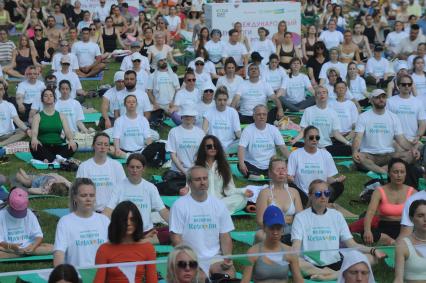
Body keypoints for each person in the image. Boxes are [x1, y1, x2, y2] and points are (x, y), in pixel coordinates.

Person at [291, 179, 386, 281]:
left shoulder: (337, 215)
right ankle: (335, 273)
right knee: (295, 261)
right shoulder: (301, 217)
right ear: (310, 195)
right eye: (318, 194)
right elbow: (296, 248)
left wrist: (373, 250)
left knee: (371, 258)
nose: (323, 197)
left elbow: (352, 245)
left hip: (336, 262)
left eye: (327, 193)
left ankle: (334, 274)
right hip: (311, 263)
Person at [170, 166, 235, 277]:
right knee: (200, 278)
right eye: (198, 179)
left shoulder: (219, 204)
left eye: (205, 178)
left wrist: (227, 258)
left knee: (229, 274)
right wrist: (188, 260)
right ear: (189, 183)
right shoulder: (179, 205)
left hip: (215, 257)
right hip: (189, 257)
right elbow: (176, 238)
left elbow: (225, 235)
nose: (202, 182)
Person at [105, 153, 169, 243]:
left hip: (146, 231)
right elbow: (109, 209)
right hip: (126, 231)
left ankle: (137, 241)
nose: (135, 170)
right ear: (127, 167)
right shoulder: (119, 186)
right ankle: (143, 241)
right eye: (132, 167)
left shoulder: (150, 187)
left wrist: (176, 225)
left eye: (138, 167)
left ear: (143, 168)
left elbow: (162, 210)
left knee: (170, 231)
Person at [352, 89, 420, 174]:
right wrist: (355, 151)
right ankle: (385, 171)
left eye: (383, 97)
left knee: (411, 154)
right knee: (360, 157)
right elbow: (358, 138)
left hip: (389, 155)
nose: (381, 99)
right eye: (377, 97)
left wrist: (412, 149)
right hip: (370, 155)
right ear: (371, 100)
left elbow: (401, 140)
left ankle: (383, 169)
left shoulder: (393, 117)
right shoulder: (363, 116)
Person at [95, 201, 157, 283]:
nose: (128, 223)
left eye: (132, 219)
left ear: (137, 221)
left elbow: (152, 280)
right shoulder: (104, 249)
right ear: (116, 222)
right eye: (124, 220)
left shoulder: (147, 248)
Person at [54, 178, 109, 267]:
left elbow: (114, 251)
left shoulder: (104, 221)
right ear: (75, 197)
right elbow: (59, 253)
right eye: (83, 195)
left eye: (91, 195)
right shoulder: (65, 222)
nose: (88, 199)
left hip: (101, 276)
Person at [242, 205, 304, 283]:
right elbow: (245, 281)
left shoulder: (289, 252)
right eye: (271, 228)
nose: (275, 232)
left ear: (283, 228)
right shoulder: (253, 253)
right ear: (264, 227)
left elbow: (299, 279)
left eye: (278, 228)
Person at [363, 158, 416, 245]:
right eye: (395, 172)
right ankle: (391, 241)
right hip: (384, 227)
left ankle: (398, 241)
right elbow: (370, 212)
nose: (399, 175)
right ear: (389, 173)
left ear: (406, 174)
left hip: (405, 228)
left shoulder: (412, 192)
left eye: (402, 172)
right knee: (368, 234)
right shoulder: (379, 191)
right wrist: (367, 230)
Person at [288, 126, 346, 206]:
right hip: (303, 194)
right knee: (289, 185)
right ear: (304, 138)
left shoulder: (326, 154)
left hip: (321, 194)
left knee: (339, 186)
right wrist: (289, 178)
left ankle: (322, 202)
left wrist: (336, 180)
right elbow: (290, 177)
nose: (314, 140)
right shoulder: (295, 154)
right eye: (311, 137)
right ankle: (314, 204)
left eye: (317, 137)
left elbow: (328, 178)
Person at [194, 135, 250, 213]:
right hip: (201, 201)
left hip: (220, 201)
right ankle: (215, 210)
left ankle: (211, 210)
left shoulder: (224, 166)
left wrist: (243, 191)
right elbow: (190, 188)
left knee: (242, 198)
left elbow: (230, 189)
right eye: (209, 146)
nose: (213, 148)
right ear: (204, 148)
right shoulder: (196, 167)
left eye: (215, 146)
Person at [291, 86, 352, 156]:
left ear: (327, 95)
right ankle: (319, 151)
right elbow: (303, 131)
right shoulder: (308, 111)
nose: (322, 95)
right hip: (311, 143)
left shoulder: (333, 113)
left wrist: (348, 143)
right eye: (319, 93)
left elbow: (336, 134)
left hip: (327, 146)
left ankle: (320, 151)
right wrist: (295, 140)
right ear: (315, 96)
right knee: (296, 143)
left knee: (349, 148)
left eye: (324, 92)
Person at [255, 157, 303, 244]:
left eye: (283, 169)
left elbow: (300, 218)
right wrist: (283, 222)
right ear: (270, 173)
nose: (281, 172)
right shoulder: (265, 193)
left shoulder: (294, 192)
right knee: (260, 235)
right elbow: (260, 221)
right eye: (277, 170)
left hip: (290, 229)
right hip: (270, 230)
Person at [76, 132, 126, 212]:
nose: (103, 147)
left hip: (112, 211)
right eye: (99, 144)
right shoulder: (84, 166)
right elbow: (79, 191)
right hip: (91, 212)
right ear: (93, 146)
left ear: (109, 147)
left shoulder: (116, 165)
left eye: (106, 144)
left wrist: (110, 209)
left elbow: (122, 190)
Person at [238, 105, 289, 178]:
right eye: (259, 114)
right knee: (240, 164)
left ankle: (258, 176)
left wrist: (292, 161)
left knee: (284, 163)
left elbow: (283, 147)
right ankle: (271, 175)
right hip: (253, 164)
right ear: (254, 116)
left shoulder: (273, 129)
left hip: (271, 165)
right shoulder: (248, 130)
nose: (261, 116)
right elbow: (241, 148)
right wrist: (241, 164)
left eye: (264, 114)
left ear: (267, 116)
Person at [0, 187, 53, 258]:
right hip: (8, 248)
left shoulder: (29, 213)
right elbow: (1, 241)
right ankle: (22, 253)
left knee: (53, 247)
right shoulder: (1, 215)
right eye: (16, 211)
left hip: (29, 246)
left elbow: (38, 235)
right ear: (9, 203)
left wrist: (33, 247)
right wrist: (11, 246)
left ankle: (19, 254)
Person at [30, 89, 77, 163]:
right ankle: (57, 159)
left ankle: (50, 159)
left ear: (54, 99)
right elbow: (34, 131)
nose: (48, 97)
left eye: (51, 95)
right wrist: (34, 138)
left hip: (58, 146)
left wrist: (71, 140)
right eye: (46, 96)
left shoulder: (61, 116)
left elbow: (67, 131)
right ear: (42, 100)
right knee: (33, 144)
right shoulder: (37, 116)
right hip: (43, 147)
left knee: (75, 145)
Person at [387, 74, 426, 143]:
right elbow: (386, 122)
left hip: (413, 139)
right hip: (394, 140)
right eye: (404, 84)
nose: (407, 86)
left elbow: (422, 123)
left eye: (409, 84)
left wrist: (418, 136)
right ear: (398, 86)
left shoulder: (418, 102)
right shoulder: (390, 101)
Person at [166, 106, 205, 176]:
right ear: (181, 116)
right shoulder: (174, 131)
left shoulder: (201, 133)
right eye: (186, 115)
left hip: (196, 169)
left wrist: (192, 169)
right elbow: (173, 154)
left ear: (194, 117)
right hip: (177, 170)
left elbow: (201, 154)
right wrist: (184, 172)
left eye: (191, 116)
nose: (188, 117)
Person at [394, 199, 426, 283]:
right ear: (412, 219)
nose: (425, 219)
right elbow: (398, 279)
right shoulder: (403, 244)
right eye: (420, 215)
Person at [112, 95, 152, 159]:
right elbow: (116, 138)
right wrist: (117, 149)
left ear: (137, 104)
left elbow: (148, 138)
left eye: (134, 102)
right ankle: (131, 156)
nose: (131, 103)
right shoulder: (119, 120)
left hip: (140, 150)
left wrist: (150, 149)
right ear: (125, 105)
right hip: (123, 151)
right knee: (110, 149)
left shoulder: (143, 120)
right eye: (129, 102)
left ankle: (132, 157)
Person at [203, 86, 241, 151]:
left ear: (227, 99)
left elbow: (238, 132)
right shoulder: (208, 112)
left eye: (225, 100)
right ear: (215, 99)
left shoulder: (233, 112)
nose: (222, 103)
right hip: (213, 146)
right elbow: (204, 132)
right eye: (220, 100)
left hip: (230, 146)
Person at [0, 81, 31, 147]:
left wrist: (27, 130)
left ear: (4, 91)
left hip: (8, 134)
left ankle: (1, 144)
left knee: (23, 131)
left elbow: (18, 121)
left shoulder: (9, 105)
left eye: (1, 89)